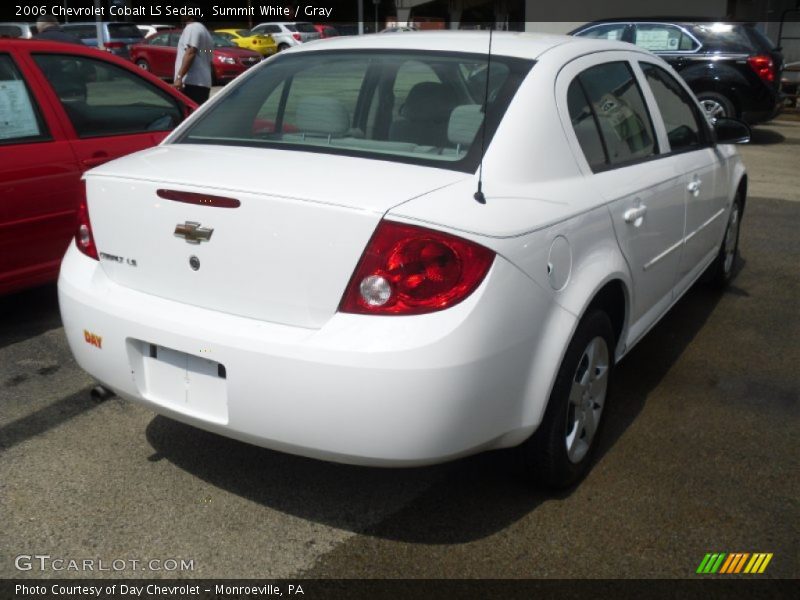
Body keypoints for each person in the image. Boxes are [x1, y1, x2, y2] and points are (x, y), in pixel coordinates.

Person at [173, 12, 213, 105]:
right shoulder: (205, 31)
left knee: (188, 117)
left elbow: (191, 51)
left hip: (191, 83)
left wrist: (179, 77)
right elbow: (209, 54)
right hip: (204, 83)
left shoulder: (192, 28)